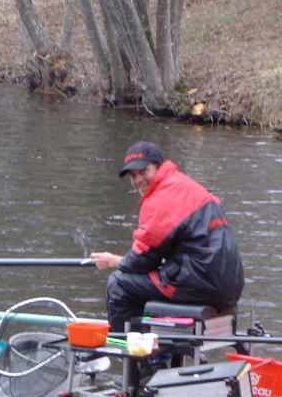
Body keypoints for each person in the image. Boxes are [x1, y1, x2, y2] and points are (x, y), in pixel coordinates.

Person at [90, 141, 245, 333]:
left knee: (119, 284)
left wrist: (114, 261)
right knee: (153, 279)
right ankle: (157, 345)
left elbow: (141, 261)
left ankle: (136, 355)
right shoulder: (183, 185)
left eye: (143, 171)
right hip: (228, 285)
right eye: (133, 175)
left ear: (158, 167)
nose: (138, 180)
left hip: (202, 282)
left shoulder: (162, 197)